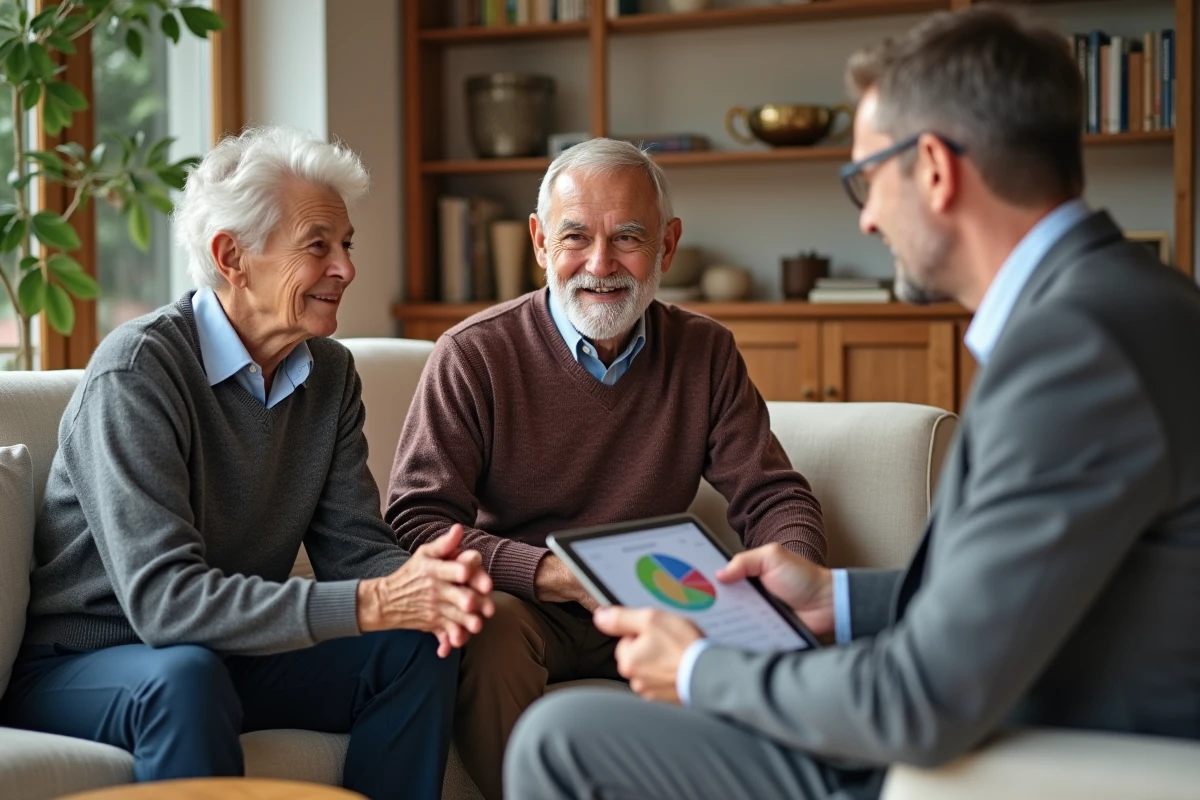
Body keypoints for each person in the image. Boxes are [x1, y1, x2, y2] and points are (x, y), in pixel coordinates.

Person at [504, 7, 1200, 799]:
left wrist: (699, 669)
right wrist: (835, 597)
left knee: (562, 741)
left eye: (867, 179)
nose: (867, 217)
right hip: (1018, 706)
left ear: (934, 169)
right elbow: (1036, 591)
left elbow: (922, 701)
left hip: (1030, 746)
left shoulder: (1076, 350)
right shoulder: (1135, 304)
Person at [0, 126, 494, 800]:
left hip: (226, 650)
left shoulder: (328, 375)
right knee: (186, 675)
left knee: (416, 650)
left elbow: (356, 552)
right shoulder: (139, 370)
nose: (346, 268)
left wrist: (424, 585)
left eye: (346, 245)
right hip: (90, 662)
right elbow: (165, 606)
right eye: (317, 245)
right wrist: (372, 601)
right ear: (232, 256)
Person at [387, 137, 826, 798]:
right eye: (574, 237)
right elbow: (416, 518)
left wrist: (796, 568)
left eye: (627, 237)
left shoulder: (705, 351)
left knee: (774, 635)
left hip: (660, 597)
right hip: (531, 603)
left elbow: (770, 493)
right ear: (539, 242)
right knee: (489, 633)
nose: (599, 264)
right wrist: (556, 574)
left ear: (667, 247)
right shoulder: (474, 354)